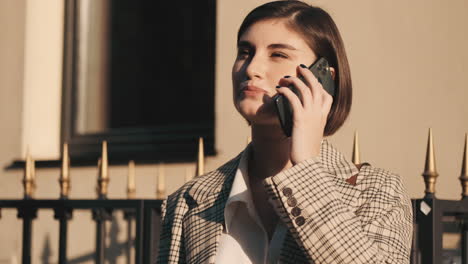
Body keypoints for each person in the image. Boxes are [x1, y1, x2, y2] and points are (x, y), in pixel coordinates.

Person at [157, 1, 413, 263]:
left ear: (322, 77)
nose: (251, 69)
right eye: (245, 52)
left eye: (278, 54)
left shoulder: (376, 190)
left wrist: (307, 167)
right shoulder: (188, 201)